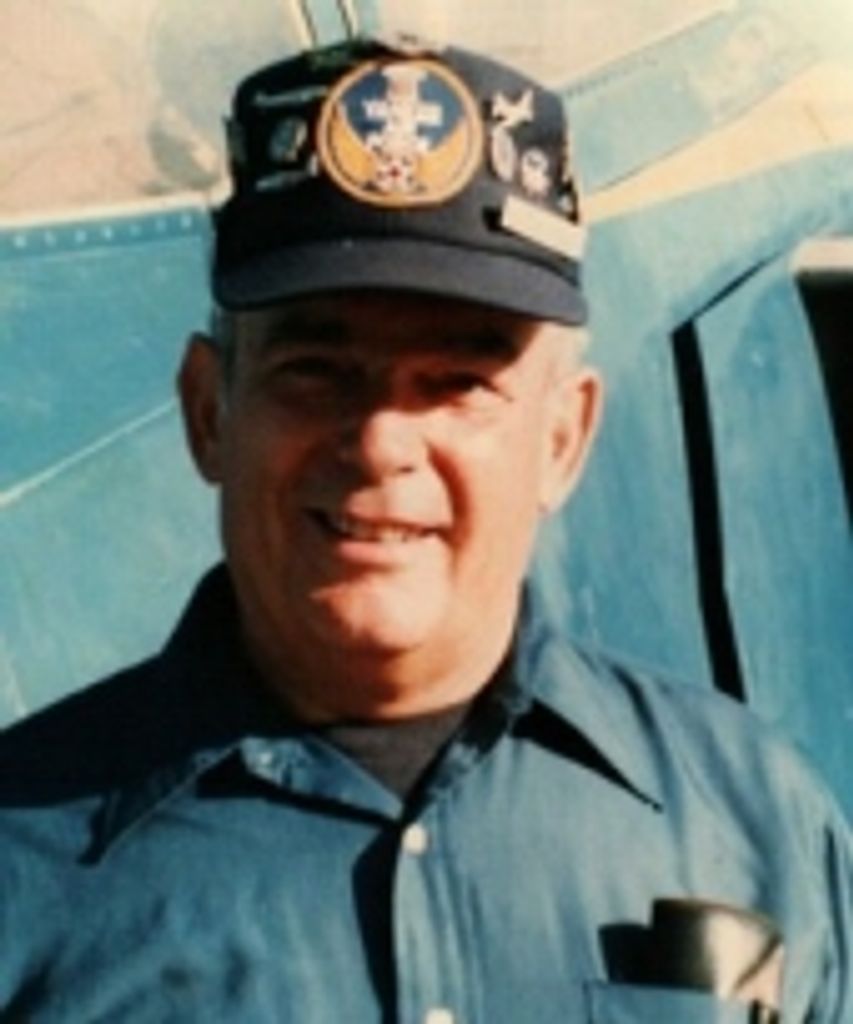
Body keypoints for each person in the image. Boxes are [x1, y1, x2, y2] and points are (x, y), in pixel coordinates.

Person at [0, 35, 850, 1024]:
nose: (379, 443)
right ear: (208, 411)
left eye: (457, 383)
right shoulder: (22, 866)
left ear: (562, 438)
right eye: (315, 371)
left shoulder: (756, 824)